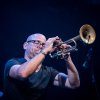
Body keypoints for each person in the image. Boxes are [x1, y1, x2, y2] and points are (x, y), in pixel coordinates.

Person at [4, 33, 80, 100]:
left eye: (43, 44)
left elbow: (73, 84)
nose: (40, 46)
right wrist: (46, 49)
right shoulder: (13, 63)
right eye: (36, 42)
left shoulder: (48, 72)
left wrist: (68, 59)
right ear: (25, 45)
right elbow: (23, 74)